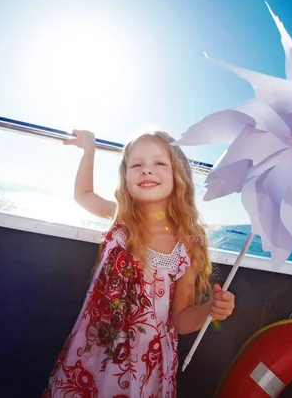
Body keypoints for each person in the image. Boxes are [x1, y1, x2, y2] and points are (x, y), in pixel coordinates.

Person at [42, 129, 236, 398]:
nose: (147, 170)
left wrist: (210, 311)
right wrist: (89, 150)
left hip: (142, 367)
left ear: (178, 175)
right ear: (125, 177)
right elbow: (83, 194)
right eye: (137, 164)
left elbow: (180, 320)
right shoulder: (120, 217)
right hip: (93, 348)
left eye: (159, 163)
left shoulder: (188, 244)